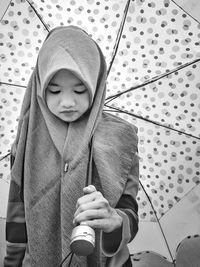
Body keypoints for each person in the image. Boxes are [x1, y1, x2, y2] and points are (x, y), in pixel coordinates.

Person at [4, 26, 139, 267]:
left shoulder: (121, 138)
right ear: (40, 86)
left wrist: (114, 220)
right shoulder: (26, 139)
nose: (67, 102)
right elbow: (17, 218)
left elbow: (129, 212)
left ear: (96, 84)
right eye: (54, 90)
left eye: (79, 89)